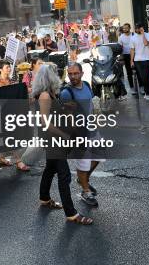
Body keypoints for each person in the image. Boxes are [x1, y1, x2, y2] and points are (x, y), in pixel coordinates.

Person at [32, 64, 93, 225]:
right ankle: (71, 213)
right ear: (50, 76)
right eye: (56, 73)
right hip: (52, 140)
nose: (60, 75)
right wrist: (64, 134)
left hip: (54, 139)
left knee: (50, 168)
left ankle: (44, 198)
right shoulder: (45, 95)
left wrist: (67, 110)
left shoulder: (52, 93)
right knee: (64, 175)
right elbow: (45, 122)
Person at [61, 63, 103, 207]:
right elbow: (68, 117)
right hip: (79, 133)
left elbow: (91, 106)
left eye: (75, 73)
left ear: (82, 73)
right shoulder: (67, 93)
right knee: (83, 164)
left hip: (92, 129)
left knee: (98, 157)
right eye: (70, 74)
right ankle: (85, 191)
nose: (72, 77)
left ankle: (83, 179)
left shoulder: (86, 85)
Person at [0, 60, 30, 171]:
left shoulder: (11, 81)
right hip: (0, 113)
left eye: (9, 67)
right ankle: (18, 161)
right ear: (0, 69)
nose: (9, 69)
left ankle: (3, 158)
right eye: (7, 67)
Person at [130, 23, 149, 100]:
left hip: (146, 59)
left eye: (139, 28)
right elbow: (132, 49)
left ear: (142, 28)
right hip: (137, 60)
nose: (137, 30)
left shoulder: (148, 35)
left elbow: (146, 43)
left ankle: (148, 93)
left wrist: (143, 34)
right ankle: (146, 92)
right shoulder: (133, 38)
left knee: (146, 76)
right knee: (142, 77)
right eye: (136, 28)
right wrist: (131, 61)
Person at [118, 23, 135, 92]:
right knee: (129, 72)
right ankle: (131, 87)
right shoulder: (121, 37)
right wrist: (121, 57)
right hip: (126, 55)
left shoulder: (134, 35)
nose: (125, 29)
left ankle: (141, 86)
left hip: (135, 54)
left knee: (138, 71)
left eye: (126, 28)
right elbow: (119, 47)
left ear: (129, 28)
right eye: (124, 28)